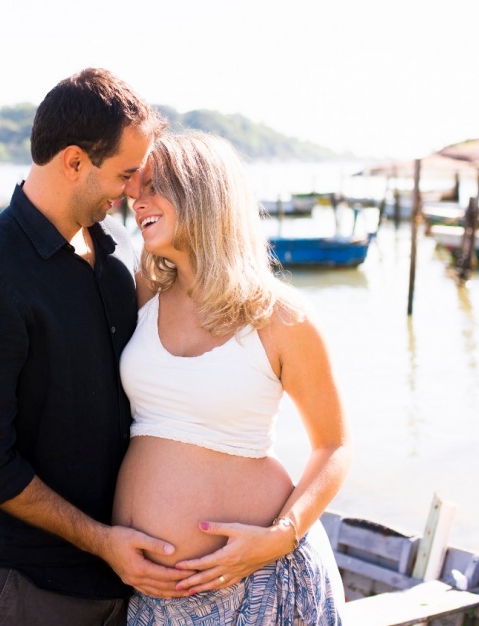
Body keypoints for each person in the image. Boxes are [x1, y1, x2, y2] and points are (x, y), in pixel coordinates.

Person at [0, 68, 181, 626]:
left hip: (123, 583)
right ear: (74, 162)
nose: (132, 191)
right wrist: (103, 541)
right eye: (126, 173)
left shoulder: (116, 259)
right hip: (25, 587)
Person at [114, 131, 349, 625]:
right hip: (154, 599)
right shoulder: (142, 296)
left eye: (154, 187)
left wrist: (282, 536)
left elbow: (334, 447)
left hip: (261, 583)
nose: (137, 202)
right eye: (135, 191)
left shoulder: (280, 316)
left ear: (201, 190)